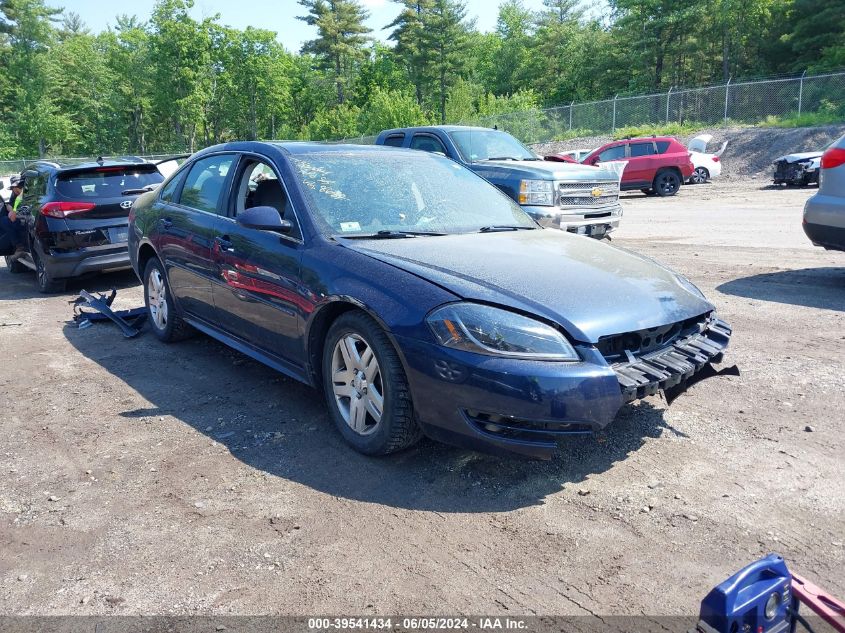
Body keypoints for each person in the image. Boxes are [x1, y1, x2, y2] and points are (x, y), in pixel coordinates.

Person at [0, 176, 26, 260]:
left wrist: (14, 212)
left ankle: (19, 246)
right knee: (4, 220)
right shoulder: (15, 195)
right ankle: (18, 247)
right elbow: (11, 205)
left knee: (5, 221)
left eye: (20, 186)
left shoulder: (25, 193)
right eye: (15, 187)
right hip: (20, 216)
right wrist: (11, 210)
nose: (17, 189)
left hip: (27, 218)